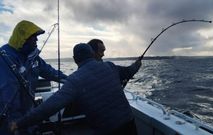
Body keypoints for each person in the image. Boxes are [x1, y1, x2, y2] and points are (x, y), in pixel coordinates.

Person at [11, 43, 141, 135]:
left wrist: (19, 123)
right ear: (92, 54)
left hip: (107, 130)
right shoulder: (110, 66)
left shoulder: (74, 81)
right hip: (129, 123)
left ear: (74, 60)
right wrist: (137, 64)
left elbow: (48, 108)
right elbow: (129, 71)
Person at [0, 20, 67, 135]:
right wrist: (16, 123)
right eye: (33, 37)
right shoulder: (4, 57)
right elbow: (8, 93)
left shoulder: (33, 56)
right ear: (23, 38)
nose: (36, 40)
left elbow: (50, 72)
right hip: (8, 117)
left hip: (28, 113)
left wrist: (69, 80)